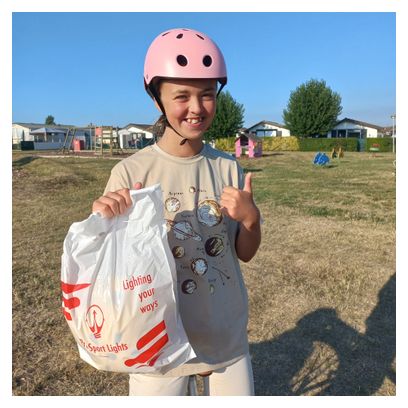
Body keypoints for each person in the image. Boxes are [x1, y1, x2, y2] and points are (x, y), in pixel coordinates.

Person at [92, 28, 261, 396]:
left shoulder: (228, 168)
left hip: (224, 336)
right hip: (156, 341)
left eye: (207, 94)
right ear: (156, 99)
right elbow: (110, 267)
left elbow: (244, 253)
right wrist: (103, 220)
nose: (197, 108)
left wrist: (251, 219)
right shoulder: (131, 173)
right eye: (182, 96)